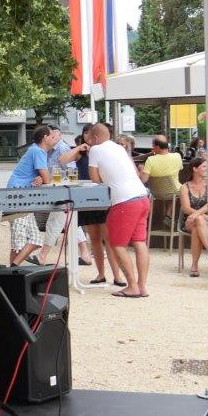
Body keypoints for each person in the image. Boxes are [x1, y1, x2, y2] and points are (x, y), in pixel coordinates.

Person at [6, 126, 91, 266]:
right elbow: (47, 177)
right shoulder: (38, 151)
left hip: (25, 197)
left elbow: (45, 176)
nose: (56, 138)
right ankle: (12, 270)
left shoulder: (39, 150)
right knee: (19, 240)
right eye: (52, 136)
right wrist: (44, 177)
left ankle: (15, 267)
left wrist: (42, 177)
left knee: (35, 239)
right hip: (19, 196)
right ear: (45, 138)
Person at [86, 123, 150, 298]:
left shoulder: (95, 149)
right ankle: (142, 286)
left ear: (95, 138)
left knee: (117, 244)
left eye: (90, 139)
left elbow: (95, 179)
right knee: (140, 242)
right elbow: (135, 172)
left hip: (123, 201)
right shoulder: (120, 148)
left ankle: (132, 286)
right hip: (142, 196)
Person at [59, 124, 124, 286]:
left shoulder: (103, 151)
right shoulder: (81, 153)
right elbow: (62, 161)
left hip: (103, 197)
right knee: (94, 238)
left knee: (108, 238)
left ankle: (117, 276)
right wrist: (78, 148)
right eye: (85, 133)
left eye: (91, 133)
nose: (88, 136)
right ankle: (100, 274)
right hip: (86, 198)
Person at [178, 157, 208, 277]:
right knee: (198, 220)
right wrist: (200, 215)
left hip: (205, 220)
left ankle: (194, 266)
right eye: (204, 166)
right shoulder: (185, 187)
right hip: (189, 220)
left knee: (196, 227)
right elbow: (186, 208)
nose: (207, 169)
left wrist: (197, 215)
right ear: (195, 169)